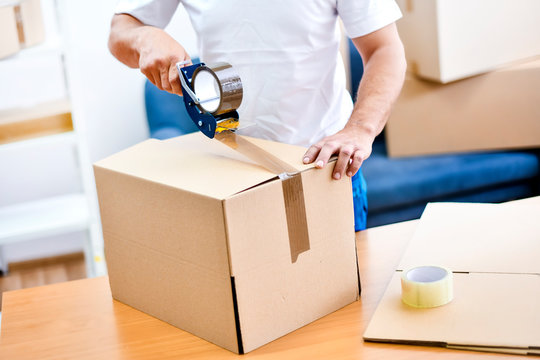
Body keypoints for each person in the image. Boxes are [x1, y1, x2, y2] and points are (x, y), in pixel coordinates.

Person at [108, 0, 406, 231]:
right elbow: (121, 30)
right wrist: (145, 37)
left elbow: (384, 49)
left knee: (342, 304)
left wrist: (360, 130)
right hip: (230, 180)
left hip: (321, 170)